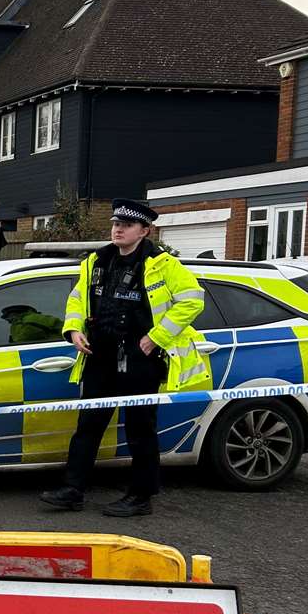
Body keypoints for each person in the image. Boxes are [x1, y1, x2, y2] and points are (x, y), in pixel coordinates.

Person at [40, 199, 212, 517]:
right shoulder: (97, 260)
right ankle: (72, 490)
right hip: (100, 355)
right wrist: (73, 330)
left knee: (139, 430)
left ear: (145, 231)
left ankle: (140, 497)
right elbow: (77, 298)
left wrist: (156, 338)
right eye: (116, 223)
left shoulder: (163, 264)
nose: (118, 229)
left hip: (140, 358)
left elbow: (192, 301)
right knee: (88, 426)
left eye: (127, 225)